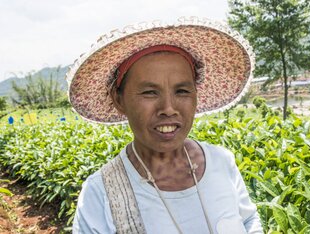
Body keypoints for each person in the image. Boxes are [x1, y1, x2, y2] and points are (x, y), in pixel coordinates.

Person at [68, 17, 263, 234]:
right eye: (149, 92)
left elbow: (248, 220)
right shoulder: (102, 192)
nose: (168, 108)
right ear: (119, 99)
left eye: (182, 91)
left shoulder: (221, 162)